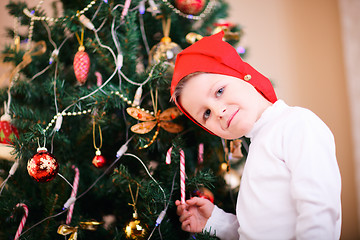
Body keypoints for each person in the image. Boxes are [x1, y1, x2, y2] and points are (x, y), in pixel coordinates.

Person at [170, 31, 341, 240]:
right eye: (205, 114)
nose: (217, 111)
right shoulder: (259, 144)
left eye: (219, 91)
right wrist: (216, 221)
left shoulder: (296, 124)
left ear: (242, 75)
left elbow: (319, 212)